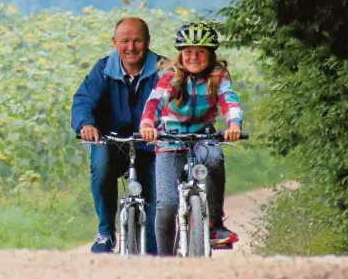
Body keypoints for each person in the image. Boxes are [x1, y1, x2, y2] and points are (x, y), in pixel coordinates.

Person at [139, 23, 244, 255]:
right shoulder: (171, 76)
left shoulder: (218, 76)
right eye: (188, 52)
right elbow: (155, 101)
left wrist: (234, 124)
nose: (193, 57)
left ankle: (215, 225)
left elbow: (230, 100)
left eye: (200, 52)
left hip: (203, 138)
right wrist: (147, 124)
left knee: (215, 158)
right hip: (169, 141)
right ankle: (165, 260)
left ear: (210, 54)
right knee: (166, 206)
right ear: (180, 54)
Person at [71, 17, 169, 254]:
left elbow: (181, 101)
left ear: (148, 42)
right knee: (101, 164)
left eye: (137, 40)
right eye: (125, 41)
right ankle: (105, 231)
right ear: (115, 42)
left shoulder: (164, 69)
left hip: (153, 144)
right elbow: (83, 100)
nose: (131, 47)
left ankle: (155, 250)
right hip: (112, 140)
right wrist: (86, 124)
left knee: (158, 194)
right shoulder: (104, 69)